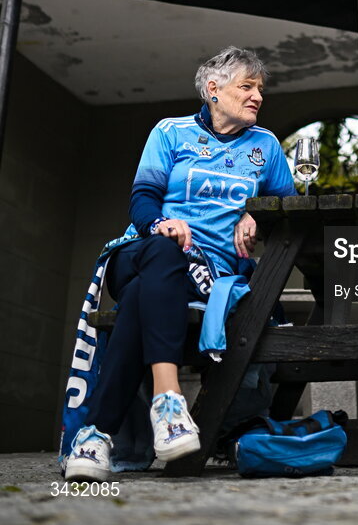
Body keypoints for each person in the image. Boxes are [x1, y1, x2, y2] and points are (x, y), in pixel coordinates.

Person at [63, 46, 295, 481]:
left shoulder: (265, 147)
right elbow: (143, 199)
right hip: (142, 251)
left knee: (139, 299)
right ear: (213, 89)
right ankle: (168, 402)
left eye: (260, 89)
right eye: (246, 87)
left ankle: (95, 436)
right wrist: (162, 225)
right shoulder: (170, 132)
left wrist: (257, 212)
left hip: (205, 274)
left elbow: (287, 207)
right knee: (164, 254)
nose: (257, 97)